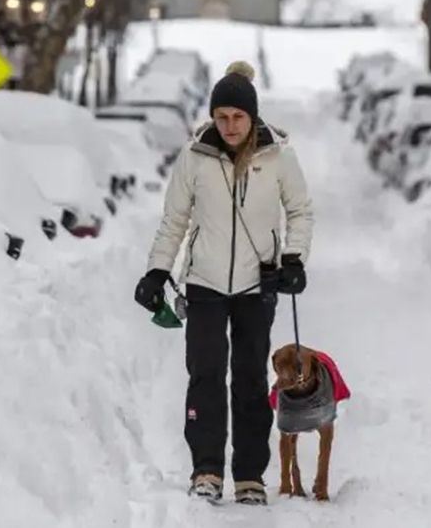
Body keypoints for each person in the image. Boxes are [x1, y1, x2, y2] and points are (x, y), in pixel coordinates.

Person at [134, 60, 315, 506]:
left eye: (238, 117)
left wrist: (293, 258)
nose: (230, 125)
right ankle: (207, 469)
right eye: (222, 117)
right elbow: (174, 219)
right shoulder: (194, 157)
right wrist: (158, 270)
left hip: (259, 285)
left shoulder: (278, 156)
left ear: (252, 117)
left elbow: (300, 210)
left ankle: (250, 474)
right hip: (204, 283)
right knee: (206, 376)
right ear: (212, 117)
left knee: (252, 378)